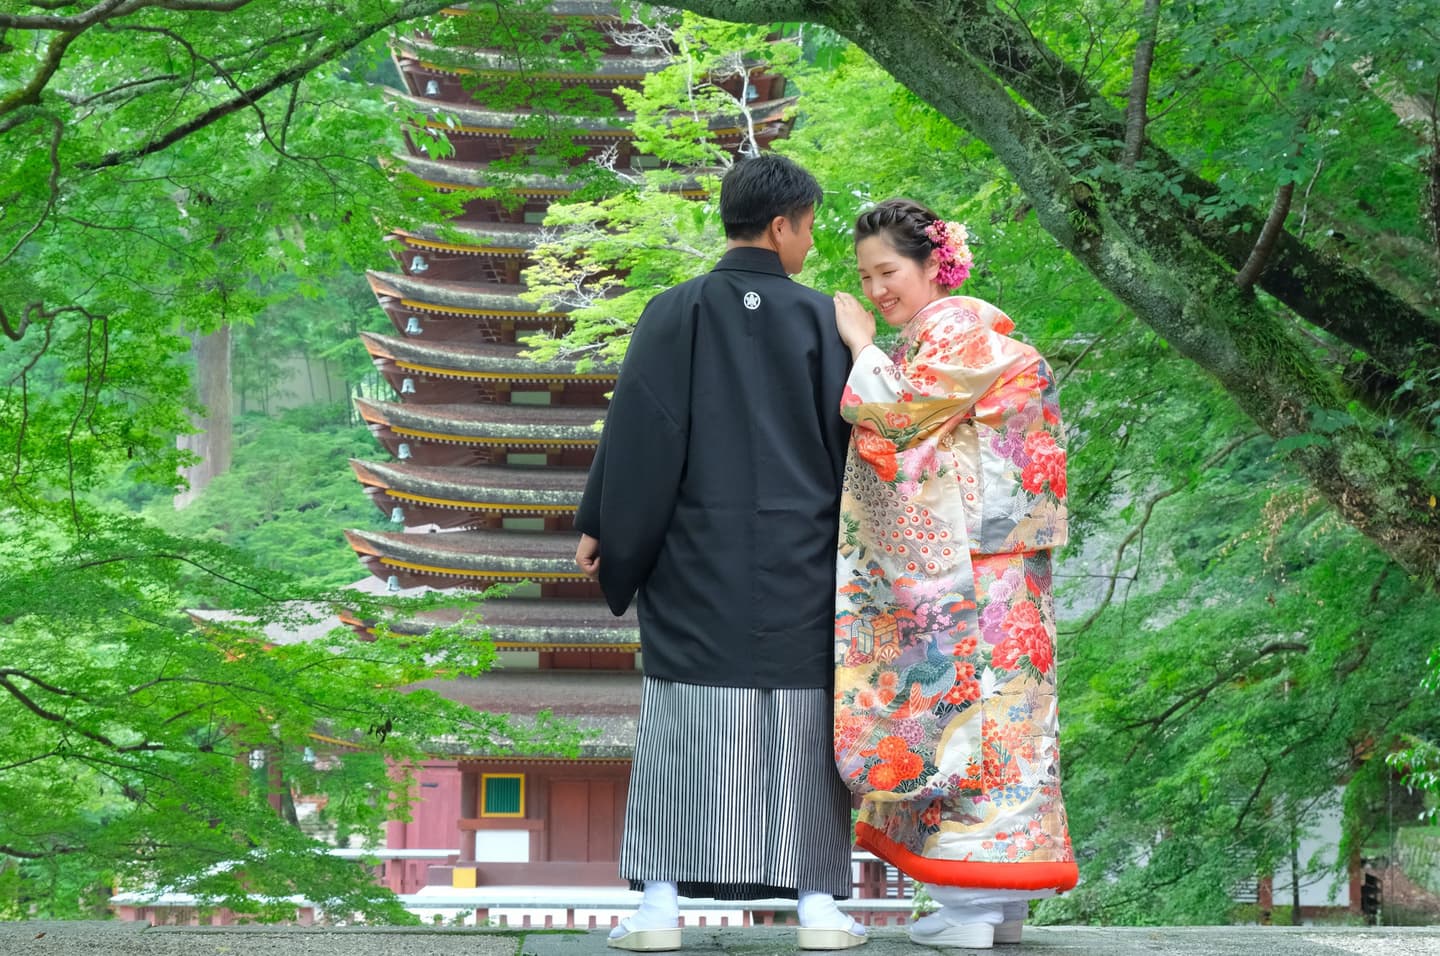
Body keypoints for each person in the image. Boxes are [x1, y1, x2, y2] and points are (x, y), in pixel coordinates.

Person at [574, 153, 866, 952]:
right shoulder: (822, 320)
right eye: (808, 226)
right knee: (805, 726)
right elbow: (870, 439)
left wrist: (604, 522)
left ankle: (659, 907)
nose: (809, 243)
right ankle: (817, 909)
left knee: (682, 720)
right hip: (805, 559)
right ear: (781, 227)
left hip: (695, 556)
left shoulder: (672, 312)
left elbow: (638, 434)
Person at [829, 199, 1078, 949]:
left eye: (889, 272)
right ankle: (996, 909)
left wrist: (859, 345)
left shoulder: (954, 331)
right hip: (1003, 571)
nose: (877, 290)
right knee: (1008, 728)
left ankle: (973, 910)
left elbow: (896, 420)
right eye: (866, 278)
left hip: (975, 573)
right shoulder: (965, 334)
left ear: (935, 265)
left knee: (967, 721)